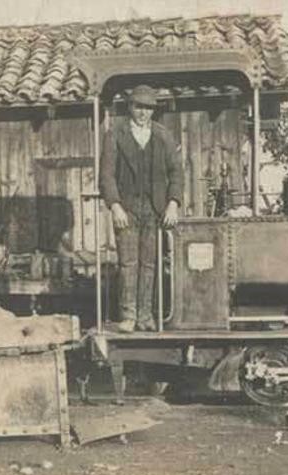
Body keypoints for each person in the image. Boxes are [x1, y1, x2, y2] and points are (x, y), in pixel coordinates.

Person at [100, 85, 184, 332]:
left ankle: (145, 316)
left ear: (153, 110)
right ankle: (128, 316)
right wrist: (115, 206)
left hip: (155, 208)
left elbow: (176, 172)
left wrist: (173, 203)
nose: (143, 113)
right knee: (128, 263)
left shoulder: (163, 136)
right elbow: (106, 175)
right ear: (130, 107)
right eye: (139, 107)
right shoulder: (115, 134)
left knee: (150, 264)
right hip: (126, 209)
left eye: (148, 108)